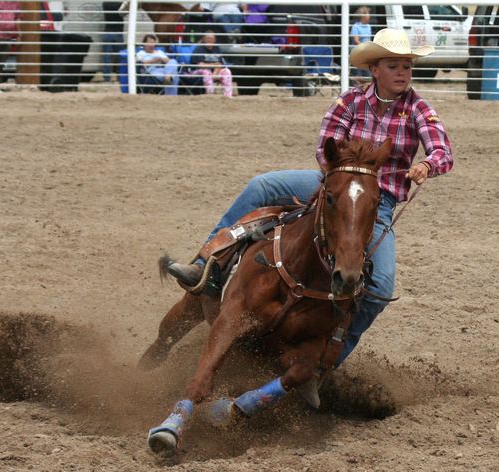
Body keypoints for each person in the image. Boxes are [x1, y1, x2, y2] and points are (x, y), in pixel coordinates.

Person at [166, 28, 454, 367]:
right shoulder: (350, 101)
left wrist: (426, 163)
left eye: (407, 66)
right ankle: (205, 265)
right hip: (331, 185)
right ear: (374, 69)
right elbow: (325, 146)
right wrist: (339, 182)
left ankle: (328, 357)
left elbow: (442, 150)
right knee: (262, 186)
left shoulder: (419, 108)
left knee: (381, 285)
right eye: (393, 66)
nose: (402, 73)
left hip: (379, 201)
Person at [190, 30, 233, 98]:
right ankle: (210, 95)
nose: (210, 40)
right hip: (197, 72)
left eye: (212, 38)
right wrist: (214, 65)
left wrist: (215, 73)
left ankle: (228, 95)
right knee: (206, 72)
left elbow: (219, 64)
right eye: (208, 38)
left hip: (213, 72)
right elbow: (200, 65)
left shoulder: (216, 49)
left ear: (214, 40)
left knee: (227, 71)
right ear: (204, 39)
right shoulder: (198, 49)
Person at [101, 1, 124, 83]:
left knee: (106, 56)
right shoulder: (122, 4)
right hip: (119, 33)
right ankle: (120, 77)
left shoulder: (105, 4)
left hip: (108, 32)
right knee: (120, 57)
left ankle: (107, 78)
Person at [350, 6, 373, 80]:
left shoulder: (369, 26)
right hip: (358, 51)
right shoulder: (356, 27)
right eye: (367, 14)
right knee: (358, 72)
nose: (369, 16)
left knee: (368, 71)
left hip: (367, 51)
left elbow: (368, 39)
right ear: (363, 16)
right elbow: (356, 41)